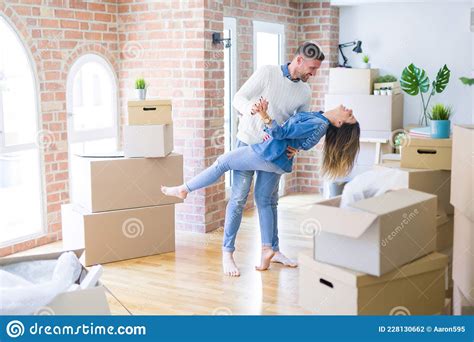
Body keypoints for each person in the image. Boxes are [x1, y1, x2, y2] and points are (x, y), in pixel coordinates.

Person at [162, 100, 360, 271]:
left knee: (222, 162)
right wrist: (290, 143)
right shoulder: (319, 120)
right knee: (265, 201)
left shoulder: (318, 123)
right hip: (278, 161)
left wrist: (264, 115)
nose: (349, 110)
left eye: (350, 116)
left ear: (340, 122)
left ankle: (184, 189)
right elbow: (300, 141)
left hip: (265, 155)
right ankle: (268, 249)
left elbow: (281, 132)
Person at [216, 42, 325, 277]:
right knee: (238, 198)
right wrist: (252, 109)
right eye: (312, 68)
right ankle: (227, 253)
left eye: (316, 70)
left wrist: (296, 148)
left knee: (267, 200)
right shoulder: (268, 72)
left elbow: (301, 125)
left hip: (274, 151)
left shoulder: (304, 91)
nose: (313, 74)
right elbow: (238, 98)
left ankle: (272, 250)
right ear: (298, 60)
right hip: (248, 143)